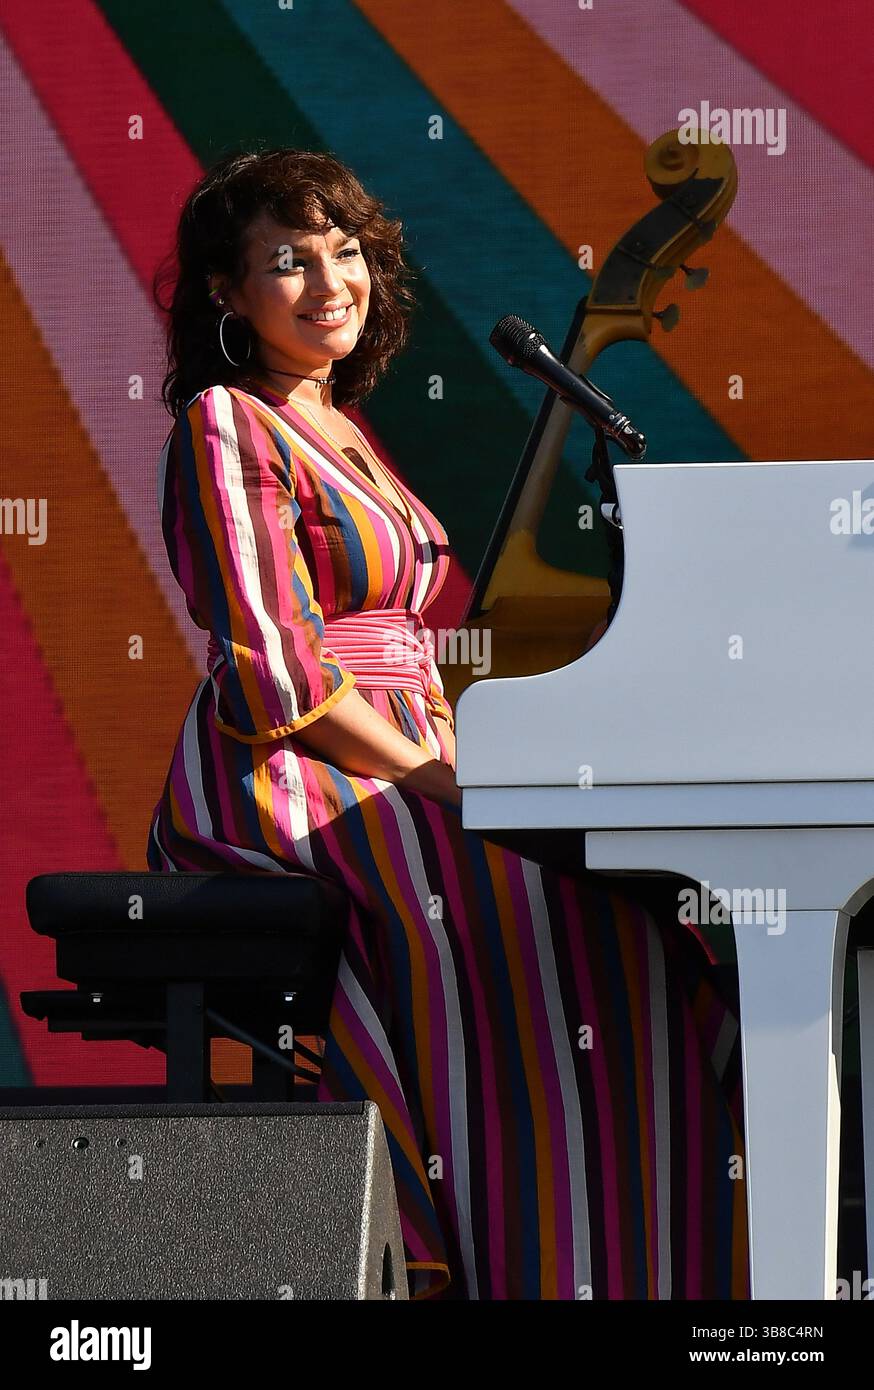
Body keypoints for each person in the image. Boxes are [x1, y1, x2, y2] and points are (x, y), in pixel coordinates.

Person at [147, 147, 749, 1300]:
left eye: (345, 252)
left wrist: (490, 768)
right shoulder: (229, 423)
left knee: (624, 913)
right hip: (288, 772)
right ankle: (483, 1265)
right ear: (225, 293)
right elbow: (273, 675)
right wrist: (447, 783)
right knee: (499, 911)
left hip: (411, 752)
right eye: (287, 261)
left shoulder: (353, 427)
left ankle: (627, 1268)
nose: (330, 282)